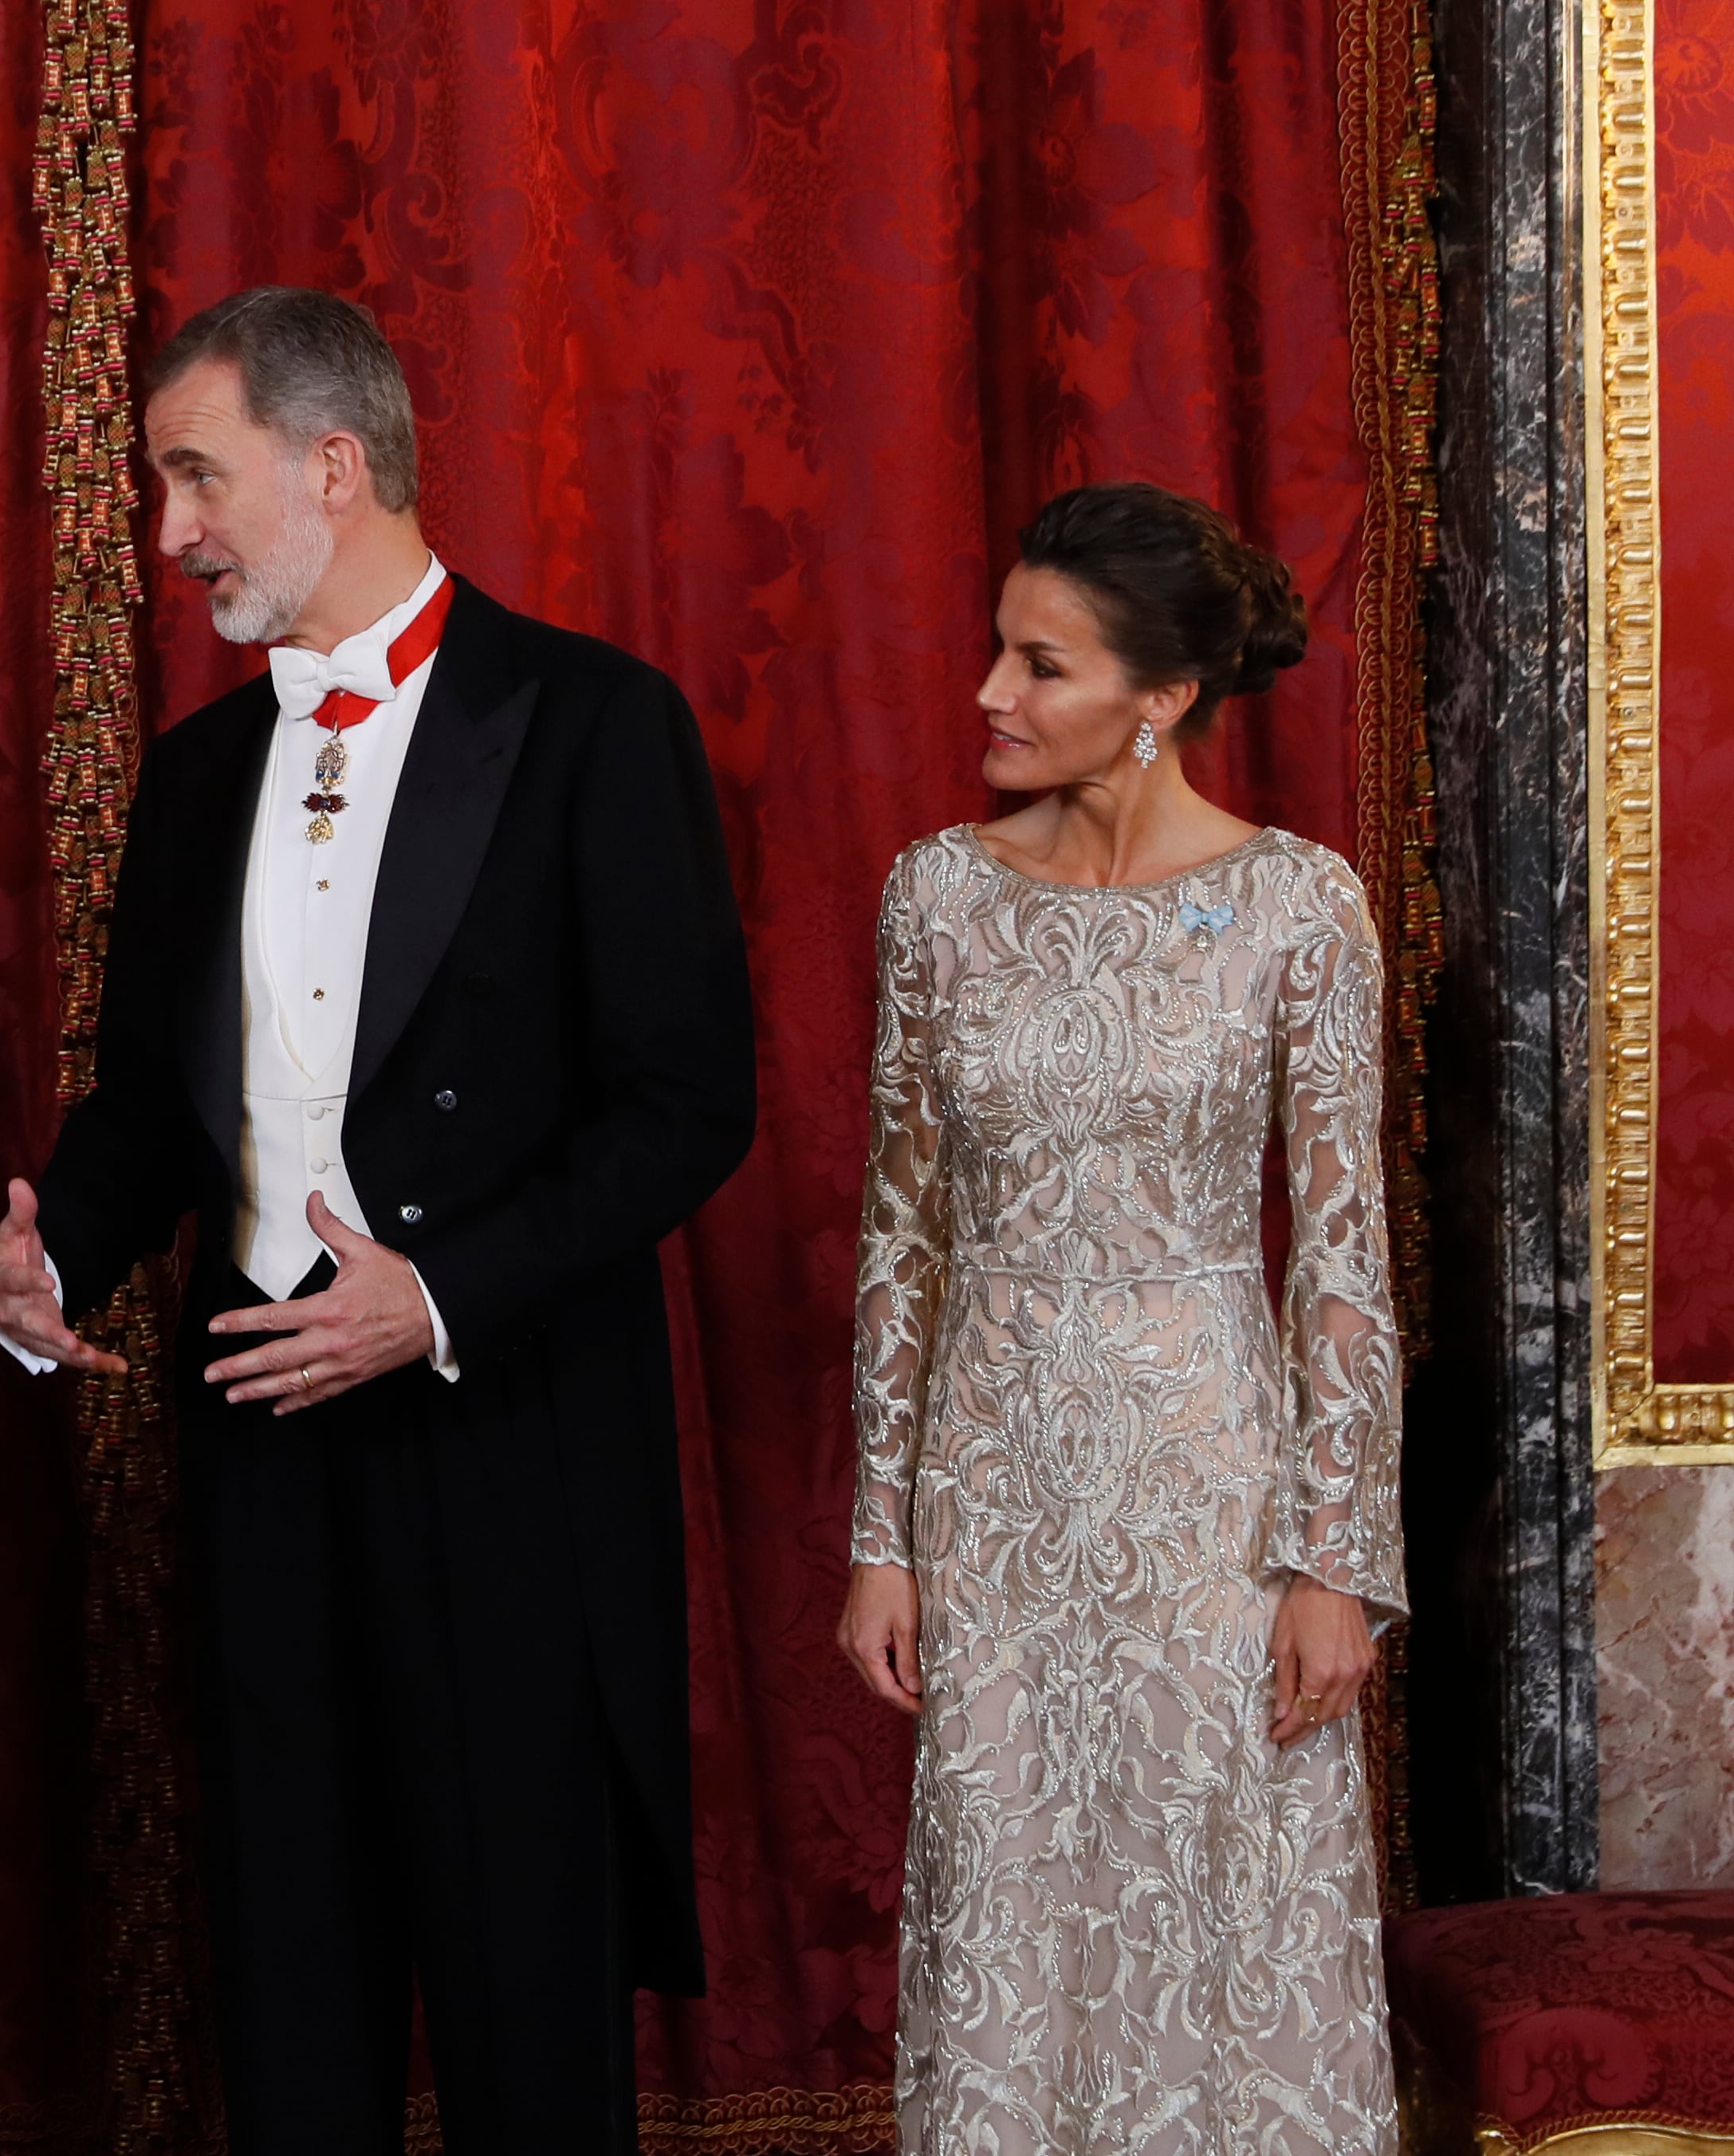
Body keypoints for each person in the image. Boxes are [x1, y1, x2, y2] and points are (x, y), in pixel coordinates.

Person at [0, 287, 757, 2152]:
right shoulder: (191, 774)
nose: (170, 534)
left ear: (336, 461)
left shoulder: (588, 722)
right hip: (259, 1450)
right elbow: (156, 1108)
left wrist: (443, 1291)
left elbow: (688, 1104)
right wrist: (49, 1257)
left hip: (504, 1458)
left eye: (195, 476)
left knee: (522, 2013)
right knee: (290, 1990)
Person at [835, 482, 1402, 2152]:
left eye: (1041, 664)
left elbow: (1345, 1253)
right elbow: (899, 1232)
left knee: (1221, 1896)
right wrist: (883, 1532)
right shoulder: (936, 894)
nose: (992, 696)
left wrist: (1331, 1557)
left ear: (1157, 699)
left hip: (1209, 1493)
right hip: (995, 1485)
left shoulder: (1300, 906)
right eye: (997, 653)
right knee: (1015, 1904)